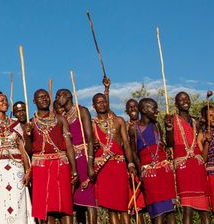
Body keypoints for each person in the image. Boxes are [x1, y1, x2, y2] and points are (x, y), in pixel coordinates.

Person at [0, 91, 34, 224]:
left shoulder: (15, 123)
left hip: (16, 169)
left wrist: (28, 171)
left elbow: (22, 149)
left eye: (6, 100)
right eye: (1, 100)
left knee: (18, 202)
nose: (5, 103)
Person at [30, 88, 78, 223]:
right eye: (40, 97)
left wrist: (74, 169)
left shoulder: (61, 119)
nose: (44, 99)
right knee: (46, 206)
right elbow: (29, 148)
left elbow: (69, 145)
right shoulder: (31, 122)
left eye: (46, 96)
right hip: (41, 167)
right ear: (34, 101)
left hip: (60, 164)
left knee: (65, 204)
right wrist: (27, 134)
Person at [164, 92, 210, 224]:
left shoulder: (196, 121)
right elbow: (170, 143)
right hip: (183, 166)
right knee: (187, 208)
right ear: (176, 104)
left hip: (197, 165)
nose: (185, 101)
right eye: (181, 99)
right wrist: (168, 129)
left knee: (204, 209)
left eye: (187, 98)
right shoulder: (171, 119)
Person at [89, 93, 135, 224]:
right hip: (104, 169)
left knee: (123, 206)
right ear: (93, 106)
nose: (102, 104)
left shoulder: (119, 121)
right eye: (98, 102)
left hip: (119, 166)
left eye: (104, 101)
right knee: (111, 209)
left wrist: (130, 164)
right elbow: (90, 146)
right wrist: (93, 143)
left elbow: (126, 144)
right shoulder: (92, 125)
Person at [128, 98, 176, 223]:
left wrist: (169, 128)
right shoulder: (134, 129)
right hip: (149, 175)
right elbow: (133, 151)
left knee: (171, 212)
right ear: (144, 110)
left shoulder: (156, 125)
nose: (157, 111)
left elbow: (169, 144)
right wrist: (140, 171)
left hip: (165, 172)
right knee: (157, 213)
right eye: (154, 108)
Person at [55, 88, 96, 224]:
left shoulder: (81, 111)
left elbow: (90, 139)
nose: (56, 99)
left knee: (89, 198)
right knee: (76, 201)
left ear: (67, 96)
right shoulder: (63, 117)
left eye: (58, 96)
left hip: (84, 157)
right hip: (71, 160)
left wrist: (90, 164)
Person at [124, 99, 146, 217]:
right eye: (130, 107)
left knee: (152, 204)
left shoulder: (146, 124)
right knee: (138, 206)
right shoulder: (126, 126)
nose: (133, 109)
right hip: (133, 169)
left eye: (135, 106)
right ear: (126, 111)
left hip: (147, 165)